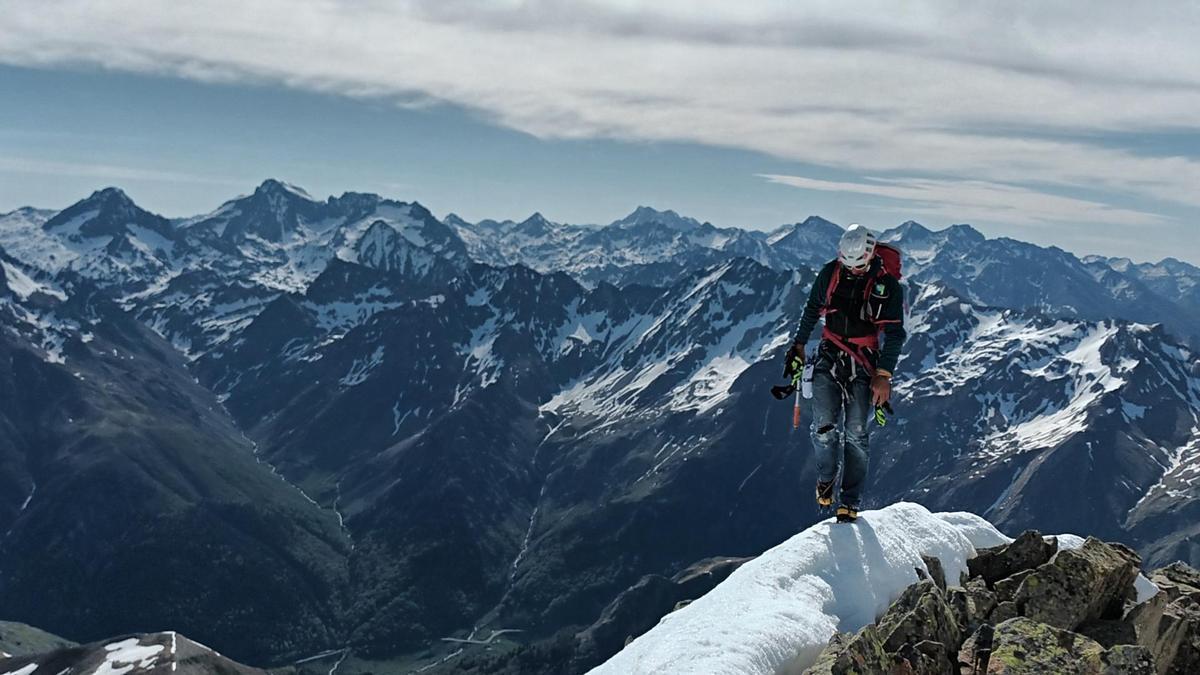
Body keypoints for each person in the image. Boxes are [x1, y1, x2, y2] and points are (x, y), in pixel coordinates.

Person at [783, 224, 906, 523]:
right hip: (830, 354)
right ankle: (826, 476)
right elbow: (812, 308)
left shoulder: (887, 285)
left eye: (859, 266)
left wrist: (883, 374)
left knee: (856, 434)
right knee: (823, 426)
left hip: (864, 363)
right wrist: (798, 344)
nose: (853, 271)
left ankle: (849, 501)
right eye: (848, 265)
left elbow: (895, 333)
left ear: (870, 256)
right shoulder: (831, 273)